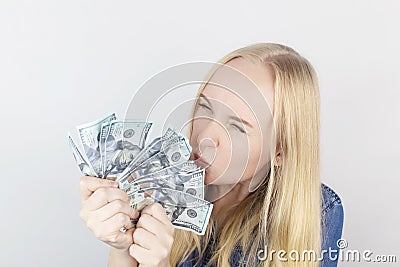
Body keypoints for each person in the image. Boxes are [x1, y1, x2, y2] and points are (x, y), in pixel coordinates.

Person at [79, 43, 344, 267]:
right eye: (205, 107)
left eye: (237, 126)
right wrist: (122, 246)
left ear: (280, 150)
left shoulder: (318, 211)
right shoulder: (159, 187)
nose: (205, 135)